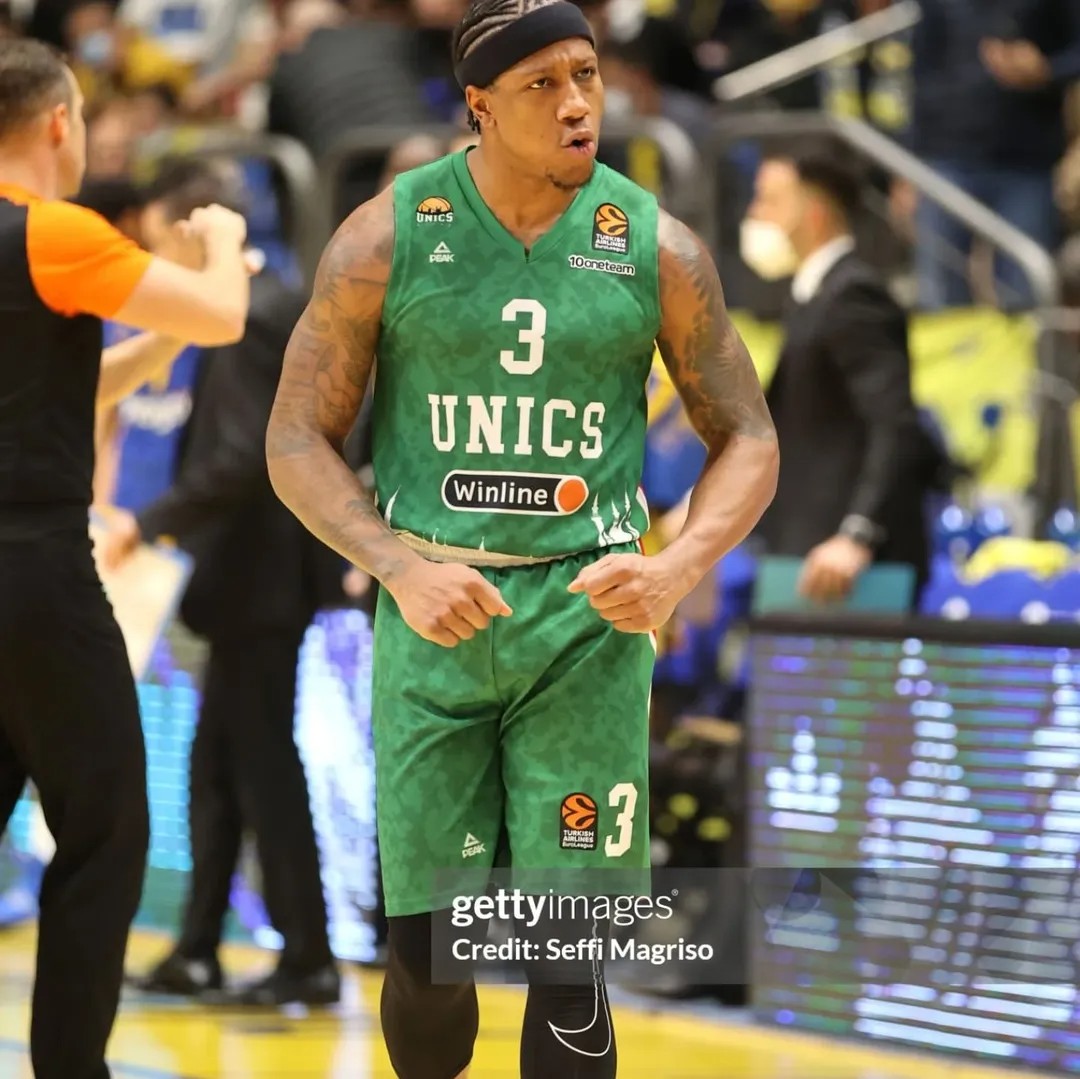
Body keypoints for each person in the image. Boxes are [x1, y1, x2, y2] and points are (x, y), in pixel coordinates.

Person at [265, 1, 778, 1075]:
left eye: (586, 73)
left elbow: (750, 437)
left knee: (570, 955)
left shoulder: (655, 245)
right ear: (480, 106)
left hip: (587, 623)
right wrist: (398, 565)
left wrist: (679, 565)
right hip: (437, 615)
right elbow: (296, 437)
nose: (577, 102)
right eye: (543, 83)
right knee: (429, 956)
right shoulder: (388, 236)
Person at [0, 37, 250, 1079]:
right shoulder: (53, 231)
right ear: (61, 122)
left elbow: (70, 391)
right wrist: (222, 241)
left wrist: (163, 335)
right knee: (105, 829)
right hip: (33, 571)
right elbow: (226, 313)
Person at [103, 158, 341, 1007]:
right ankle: (200, 946)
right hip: (250, 581)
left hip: (259, 580)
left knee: (264, 766)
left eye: (155, 241)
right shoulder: (267, 303)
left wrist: (145, 521)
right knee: (216, 768)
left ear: (188, 229)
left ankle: (308, 956)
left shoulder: (252, 314)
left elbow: (244, 456)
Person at [736, 139, 936, 602]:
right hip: (805, 551)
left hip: (851, 567)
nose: (754, 214)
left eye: (768, 200)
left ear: (815, 214)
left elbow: (895, 425)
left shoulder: (854, 296)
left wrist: (858, 533)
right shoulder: (812, 295)